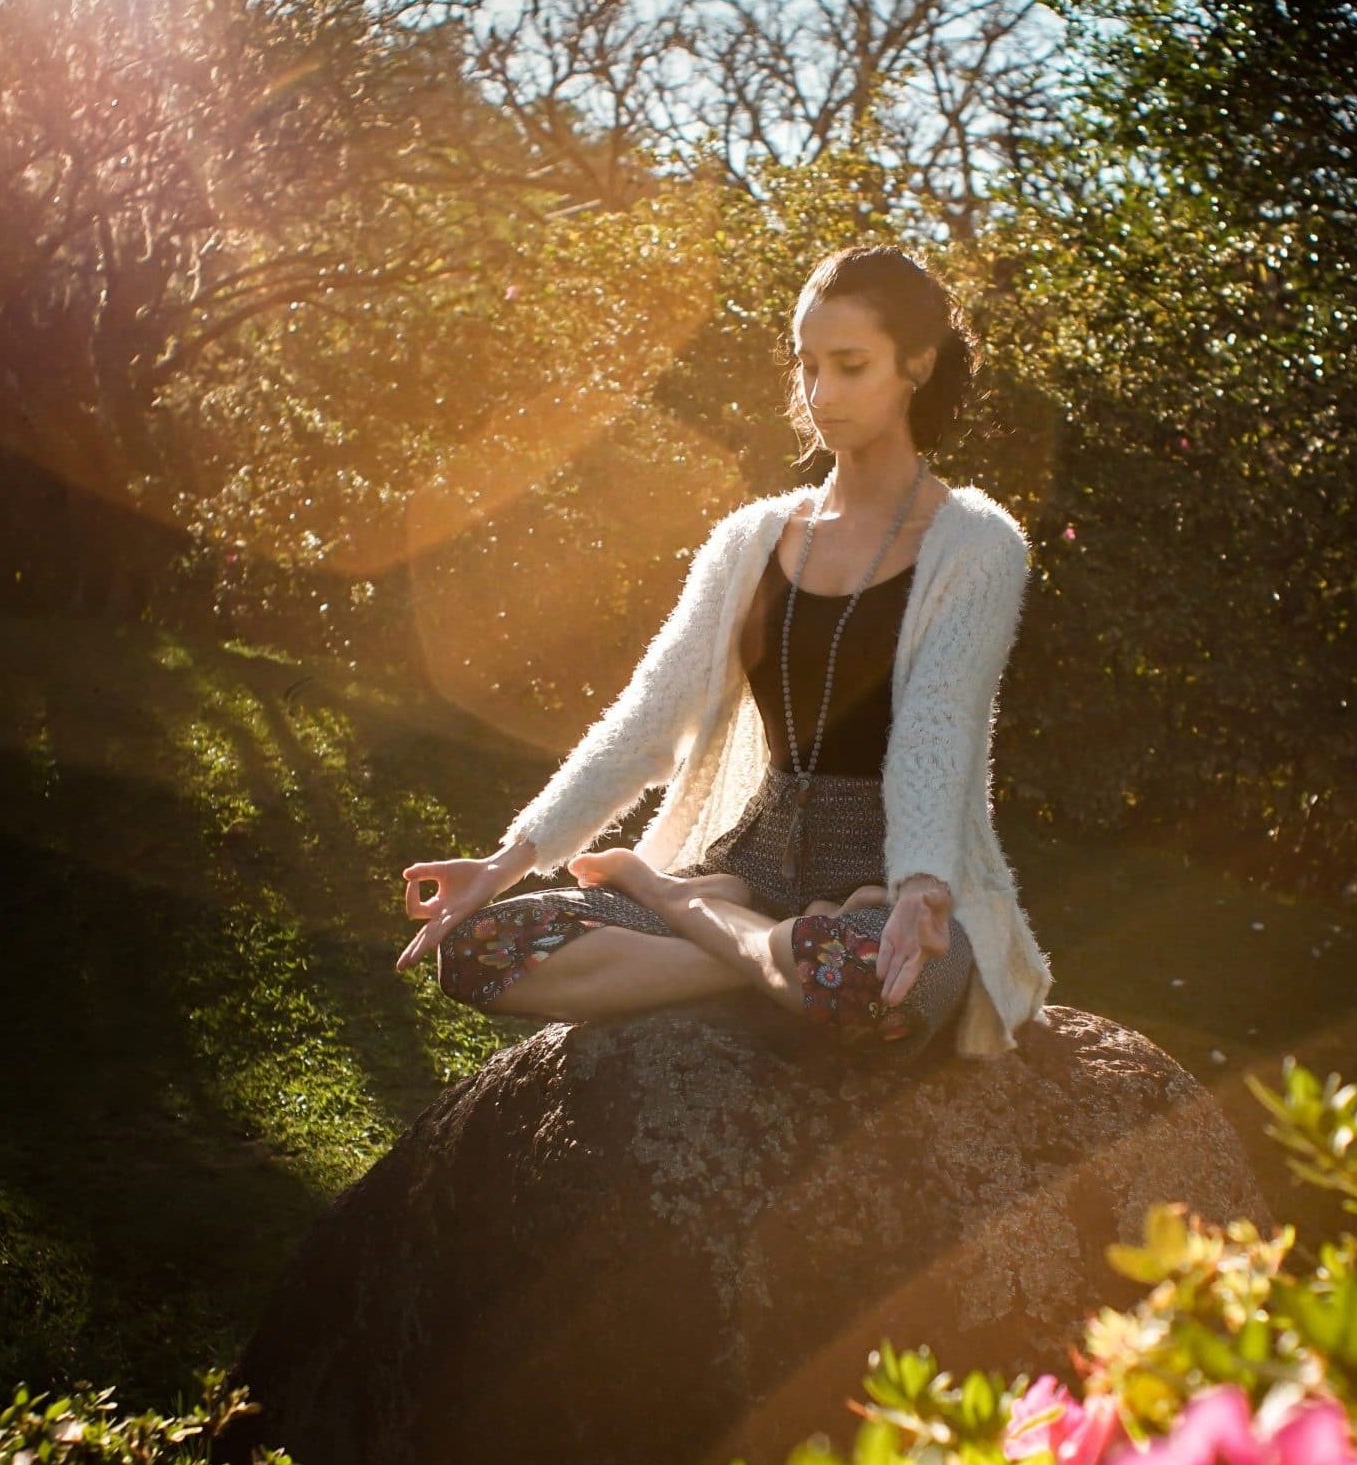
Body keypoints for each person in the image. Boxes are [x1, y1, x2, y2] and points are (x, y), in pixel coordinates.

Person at [397, 244, 1054, 1062]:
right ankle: (747, 942)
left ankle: (673, 902)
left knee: (866, 985)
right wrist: (503, 863)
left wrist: (922, 884)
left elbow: (938, 725)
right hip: (751, 859)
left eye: (851, 366)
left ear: (917, 363)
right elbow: (645, 719)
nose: (821, 395)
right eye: (808, 365)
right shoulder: (751, 540)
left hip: (886, 878)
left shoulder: (979, 545)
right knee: (479, 948)